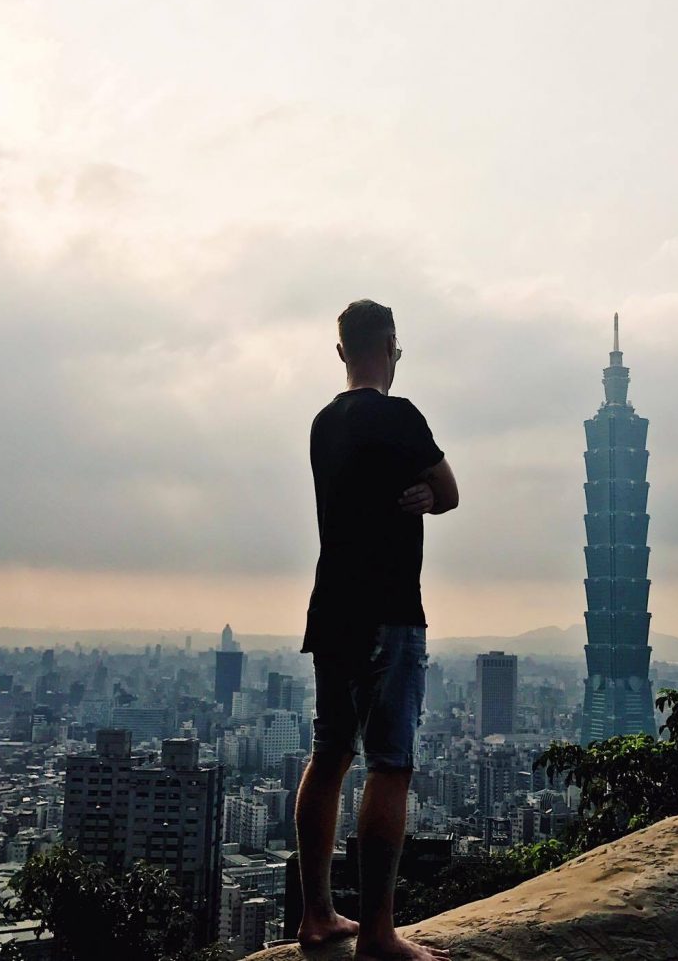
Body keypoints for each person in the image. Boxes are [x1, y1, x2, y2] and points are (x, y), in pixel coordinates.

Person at [294, 300, 458, 961]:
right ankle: (380, 932)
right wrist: (425, 495)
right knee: (390, 764)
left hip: (330, 608)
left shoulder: (321, 422)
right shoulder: (400, 414)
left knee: (329, 755)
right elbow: (448, 489)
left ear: (340, 352)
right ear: (392, 346)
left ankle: (316, 913)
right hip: (389, 609)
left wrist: (418, 491)